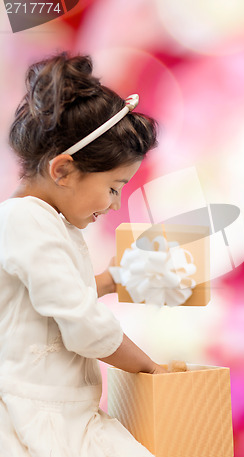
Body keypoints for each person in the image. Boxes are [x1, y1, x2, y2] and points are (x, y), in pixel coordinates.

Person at [0, 52, 167, 456]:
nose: (115, 204)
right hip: (36, 416)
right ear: (62, 171)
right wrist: (153, 370)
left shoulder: (47, 221)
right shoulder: (25, 221)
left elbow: (51, 306)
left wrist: (107, 282)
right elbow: (83, 326)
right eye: (113, 187)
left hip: (67, 410)